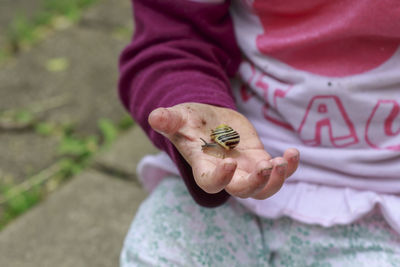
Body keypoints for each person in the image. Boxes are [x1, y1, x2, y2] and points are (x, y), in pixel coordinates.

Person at [118, 0, 400, 266]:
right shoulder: (222, 146)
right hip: (244, 167)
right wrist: (193, 100)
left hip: (384, 194)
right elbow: (174, 32)